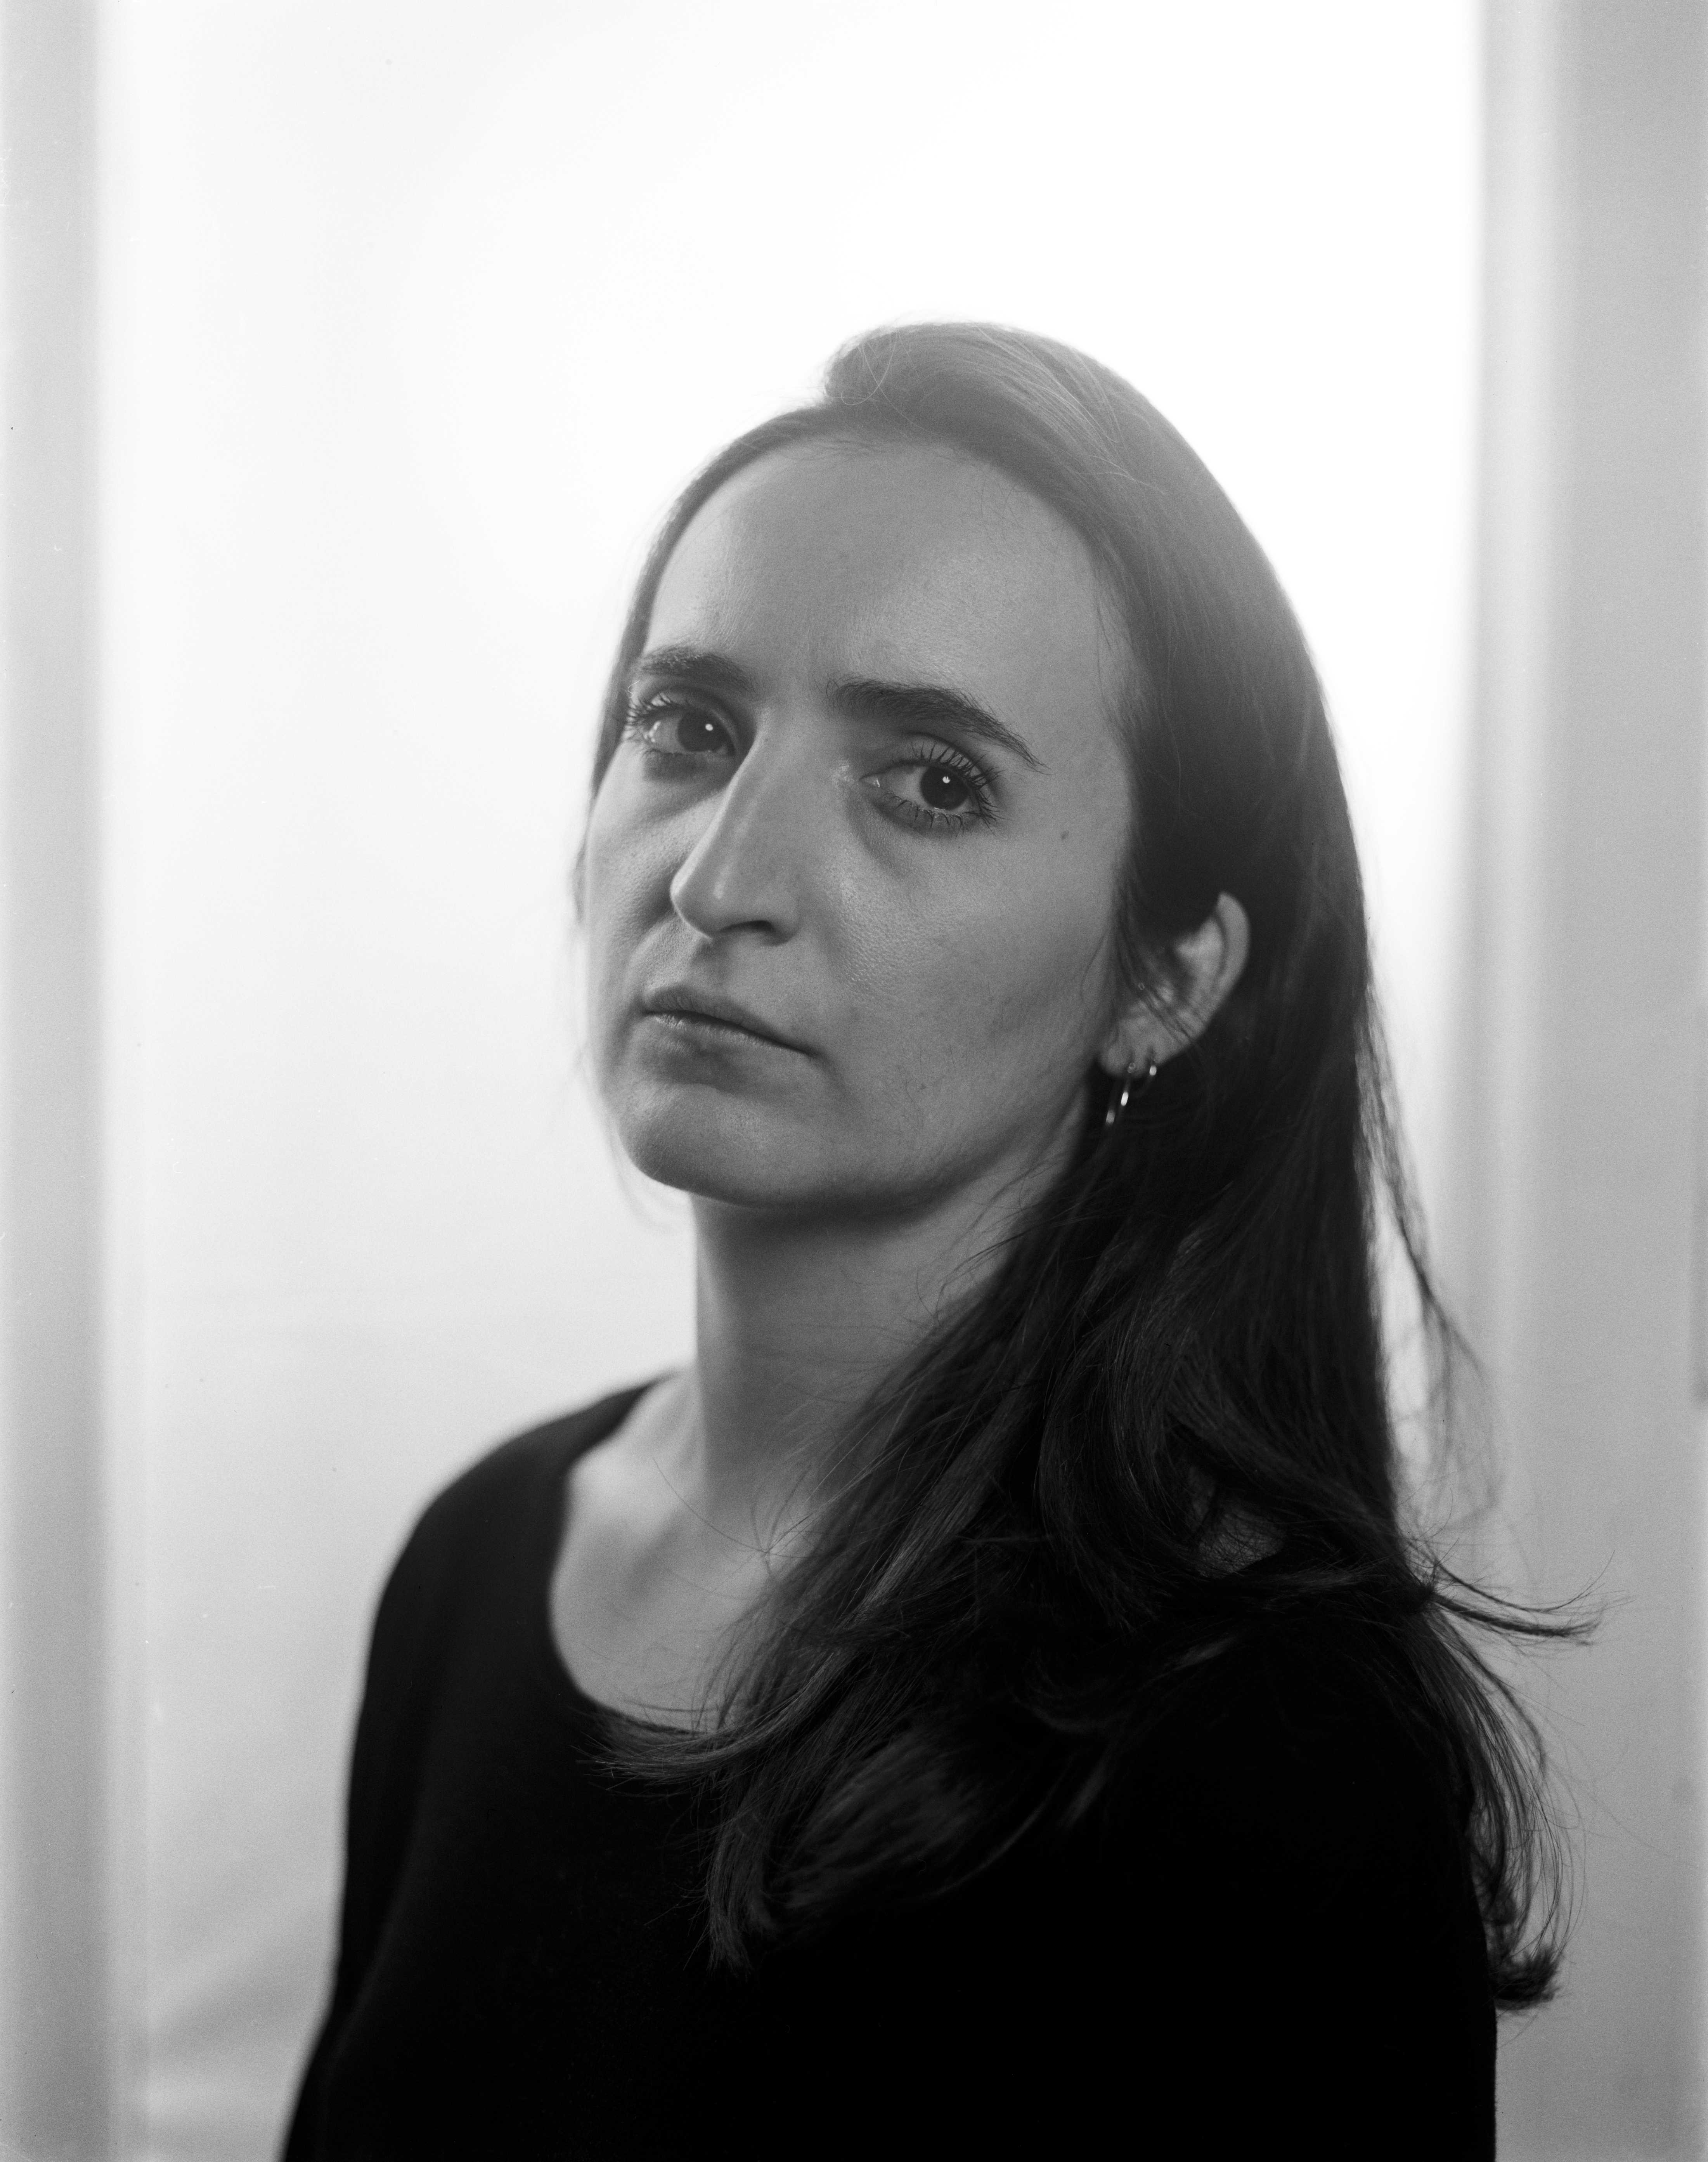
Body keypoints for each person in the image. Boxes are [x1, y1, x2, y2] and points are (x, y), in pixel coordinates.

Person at [283, 323, 1567, 2160]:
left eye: (931, 782)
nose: (719, 879)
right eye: (689, 727)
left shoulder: (1267, 1753)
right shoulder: (481, 1554)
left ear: (1166, 978)